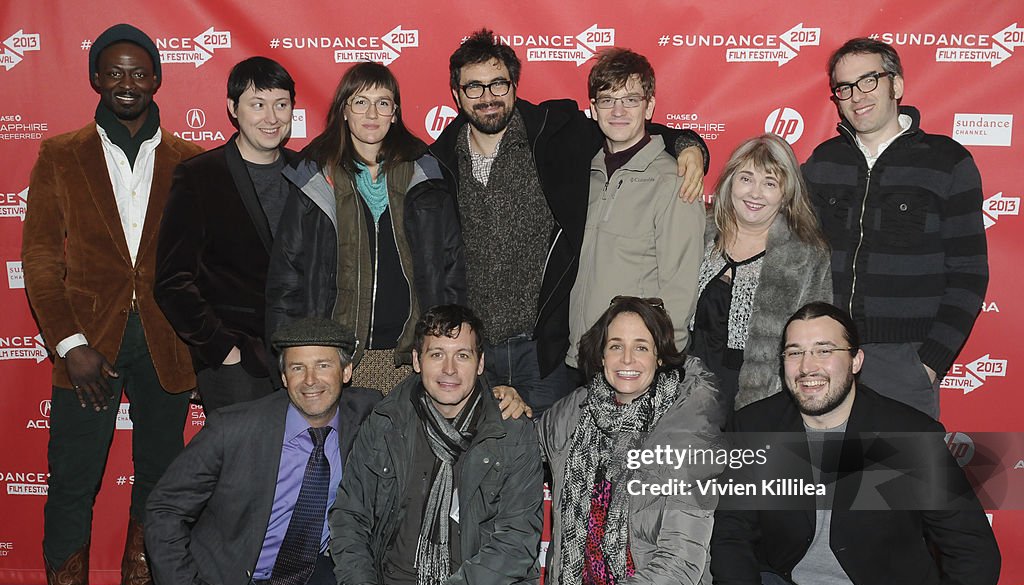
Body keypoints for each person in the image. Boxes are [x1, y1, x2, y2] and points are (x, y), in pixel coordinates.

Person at [689, 302, 1000, 585]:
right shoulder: (757, 426)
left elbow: (975, 551)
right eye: (795, 352)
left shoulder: (906, 436)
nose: (807, 365)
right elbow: (732, 531)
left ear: (856, 361)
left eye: (824, 350)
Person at [20, 23, 203, 585]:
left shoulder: (190, 159)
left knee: (161, 477)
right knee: (73, 479)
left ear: (157, 78)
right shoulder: (61, 154)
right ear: (97, 78)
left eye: (139, 72)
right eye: (114, 71)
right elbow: (39, 258)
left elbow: (198, 263)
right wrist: (70, 344)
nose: (127, 83)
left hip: (165, 345)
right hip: (86, 351)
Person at [429, 29, 710, 413]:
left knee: (559, 460)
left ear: (514, 86)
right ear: (456, 95)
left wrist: (689, 144)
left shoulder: (555, 134)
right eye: (474, 87)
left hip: (546, 351)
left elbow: (630, 130)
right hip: (474, 352)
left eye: (498, 83)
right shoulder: (437, 161)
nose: (488, 96)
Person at [146, 317, 376, 585]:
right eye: (297, 367)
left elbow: (441, 395)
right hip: (225, 583)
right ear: (283, 377)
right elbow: (164, 508)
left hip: (305, 574)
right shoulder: (232, 428)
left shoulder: (371, 413)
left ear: (347, 371)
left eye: (323, 365)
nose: (310, 380)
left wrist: (504, 397)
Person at [508, 297, 723, 585]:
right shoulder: (579, 411)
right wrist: (509, 405)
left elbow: (681, 563)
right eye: (615, 345)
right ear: (601, 354)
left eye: (641, 346)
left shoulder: (686, 433)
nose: (627, 358)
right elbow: (524, 447)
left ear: (660, 357)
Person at [330, 304, 543, 585]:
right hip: (403, 584)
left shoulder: (513, 431)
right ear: (416, 360)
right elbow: (350, 514)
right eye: (436, 354)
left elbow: (516, 542)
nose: (449, 369)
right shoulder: (386, 422)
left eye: (462, 355)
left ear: (480, 364)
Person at [802, 38, 987, 419]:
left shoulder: (947, 161)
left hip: (905, 362)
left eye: (869, 80)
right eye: (845, 87)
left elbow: (969, 273)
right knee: (823, 475)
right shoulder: (822, 163)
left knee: (901, 477)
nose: (857, 95)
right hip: (824, 356)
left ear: (896, 85)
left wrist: (929, 362)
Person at [267, 61, 466, 396]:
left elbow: (450, 269)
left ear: (395, 113)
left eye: (383, 102)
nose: (372, 112)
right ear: (344, 111)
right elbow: (287, 278)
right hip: (335, 358)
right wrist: (291, 356)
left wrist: (443, 345)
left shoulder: (426, 176)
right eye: (360, 101)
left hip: (409, 359)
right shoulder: (314, 178)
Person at [155, 57, 299, 413]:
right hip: (237, 364)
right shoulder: (199, 177)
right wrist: (222, 349)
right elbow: (172, 280)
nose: (271, 118)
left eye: (281, 105)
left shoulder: (308, 172)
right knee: (240, 467)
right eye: (258, 105)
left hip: (302, 358)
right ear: (233, 108)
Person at [566, 49, 705, 369]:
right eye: (607, 99)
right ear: (593, 108)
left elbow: (680, 288)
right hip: (582, 360)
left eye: (630, 99)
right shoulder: (581, 175)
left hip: (639, 366)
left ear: (649, 106)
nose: (618, 110)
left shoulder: (673, 181)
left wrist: (664, 359)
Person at [690, 134, 831, 413]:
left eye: (769, 183)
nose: (755, 193)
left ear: (786, 193)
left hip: (759, 403)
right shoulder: (697, 232)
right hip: (684, 393)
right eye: (746, 179)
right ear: (730, 182)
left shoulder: (805, 255)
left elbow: (815, 341)